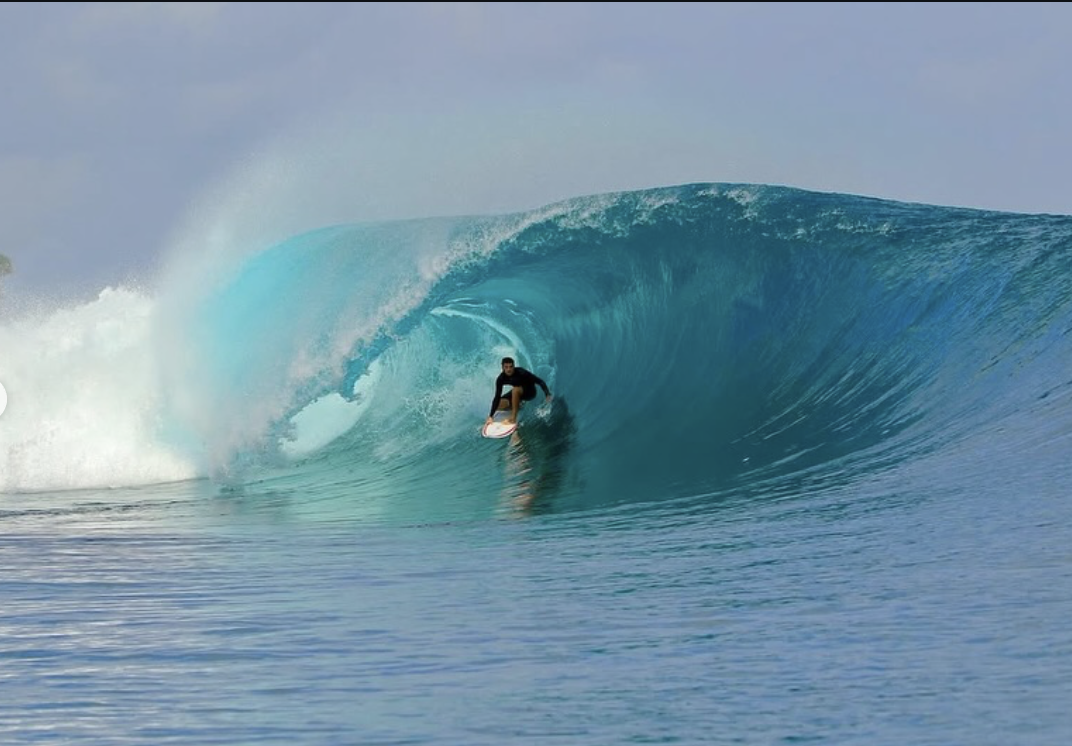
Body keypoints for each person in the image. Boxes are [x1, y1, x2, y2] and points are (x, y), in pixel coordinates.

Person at [486, 356, 552, 426]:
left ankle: (513, 418)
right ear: (502, 368)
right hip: (517, 393)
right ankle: (519, 405)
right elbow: (497, 396)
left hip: (529, 392)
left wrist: (547, 394)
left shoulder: (521, 372)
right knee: (498, 404)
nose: (509, 369)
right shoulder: (501, 378)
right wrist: (491, 416)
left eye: (511, 367)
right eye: (506, 367)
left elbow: (539, 381)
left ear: (514, 366)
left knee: (515, 390)